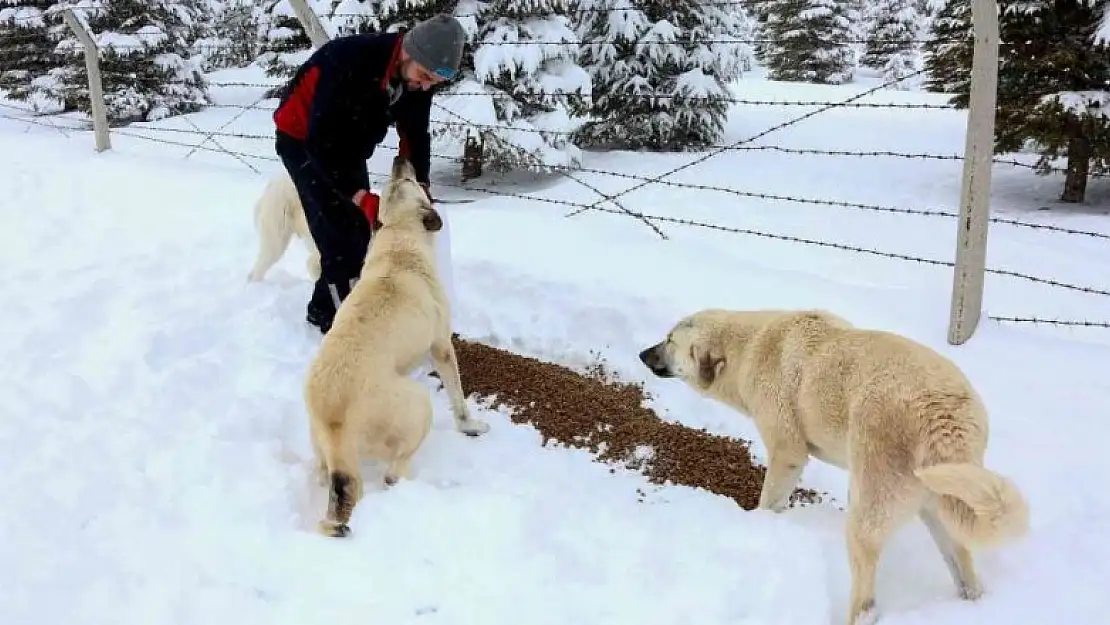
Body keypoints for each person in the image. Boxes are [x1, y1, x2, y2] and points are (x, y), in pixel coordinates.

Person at [272, 14, 466, 334]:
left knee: (362, 230)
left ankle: (344, 303)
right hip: (304, 141)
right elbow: (322, 143)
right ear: (408, 51)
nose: (426, 85)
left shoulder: (417, 79)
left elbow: (415, 135)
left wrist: (421, 187)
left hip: (349, 143)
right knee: (339, 238)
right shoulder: (351, 62)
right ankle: (336, 323)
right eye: (424, 76)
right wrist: (360, 196)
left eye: (435, 82)